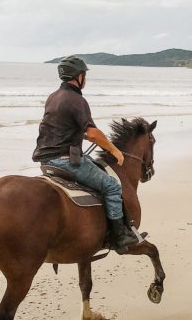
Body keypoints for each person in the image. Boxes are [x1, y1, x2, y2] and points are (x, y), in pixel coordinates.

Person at [32, 55, 139, 253]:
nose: (85, 79)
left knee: (93, 164)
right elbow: (92, 133)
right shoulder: (76, 99)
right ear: (79, 76)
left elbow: (64, 127)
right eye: (84, 75)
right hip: (65, 161)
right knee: (112, 186)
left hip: (46, 161)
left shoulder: (53, 97)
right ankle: (120, 236)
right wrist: (114, 150)